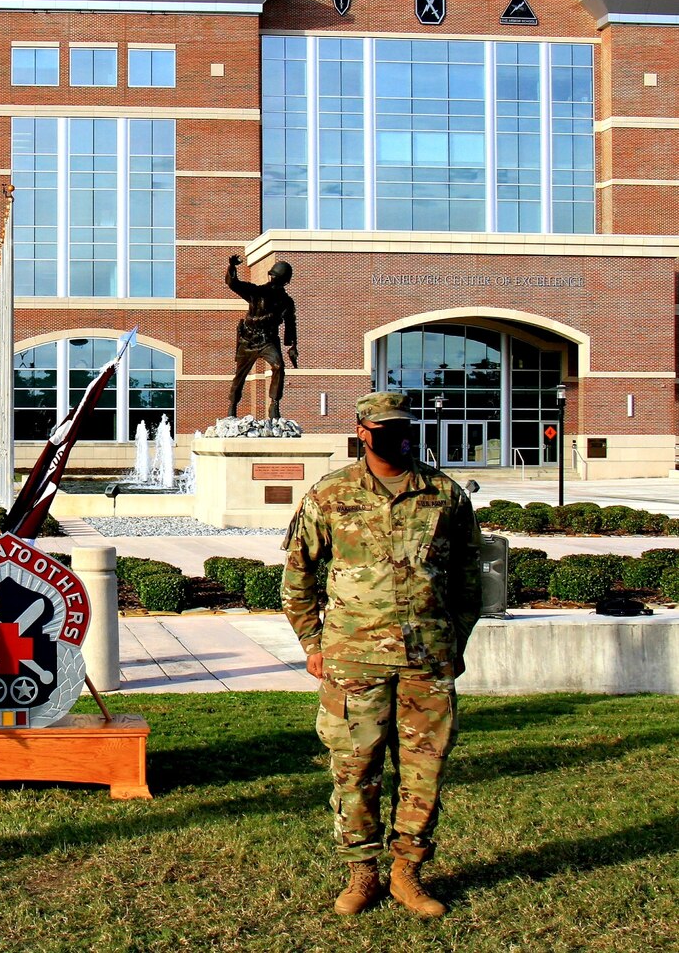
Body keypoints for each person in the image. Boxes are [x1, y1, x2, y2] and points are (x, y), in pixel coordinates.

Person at [280, 391, 482, 918]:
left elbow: (467, 579)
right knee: (355, 767)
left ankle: (407, 872)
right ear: (361, 431)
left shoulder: (444, 494)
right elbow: (298, 578)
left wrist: (453, 641)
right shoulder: (330, 494)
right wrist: (312, 644)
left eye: (401, 425)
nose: (394, 434)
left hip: (426, 662)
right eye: (383, 426)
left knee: (425, 771)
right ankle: (361, 872)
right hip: (354, 660)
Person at [225, 255, 298, 420]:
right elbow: (233, 284)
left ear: (284, 281)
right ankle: (232, 406)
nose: (272, 280)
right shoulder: (257, 292)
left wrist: (292, 346)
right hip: (248, 340)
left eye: (276, 278)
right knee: (240, 376)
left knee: (278, 366)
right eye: (272, 276)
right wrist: (232, 267)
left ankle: (274, 405)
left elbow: (291, 324)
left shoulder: (286, 302)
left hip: (268, 341)